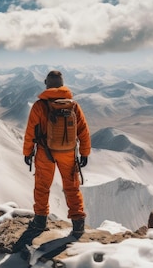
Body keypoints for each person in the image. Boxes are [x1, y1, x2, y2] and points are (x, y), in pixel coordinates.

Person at [22, 70, 91, 240]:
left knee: (42, 186)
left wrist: (28, 152)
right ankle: (78, 224)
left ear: (47, 84)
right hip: (68, 152)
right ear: (62, 84)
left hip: (45, 152)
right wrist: (84, 152)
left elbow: (30, 132)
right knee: (71, 186)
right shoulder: (73, 105)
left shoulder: (39, 106)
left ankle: (40, 221)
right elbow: (83, 130)